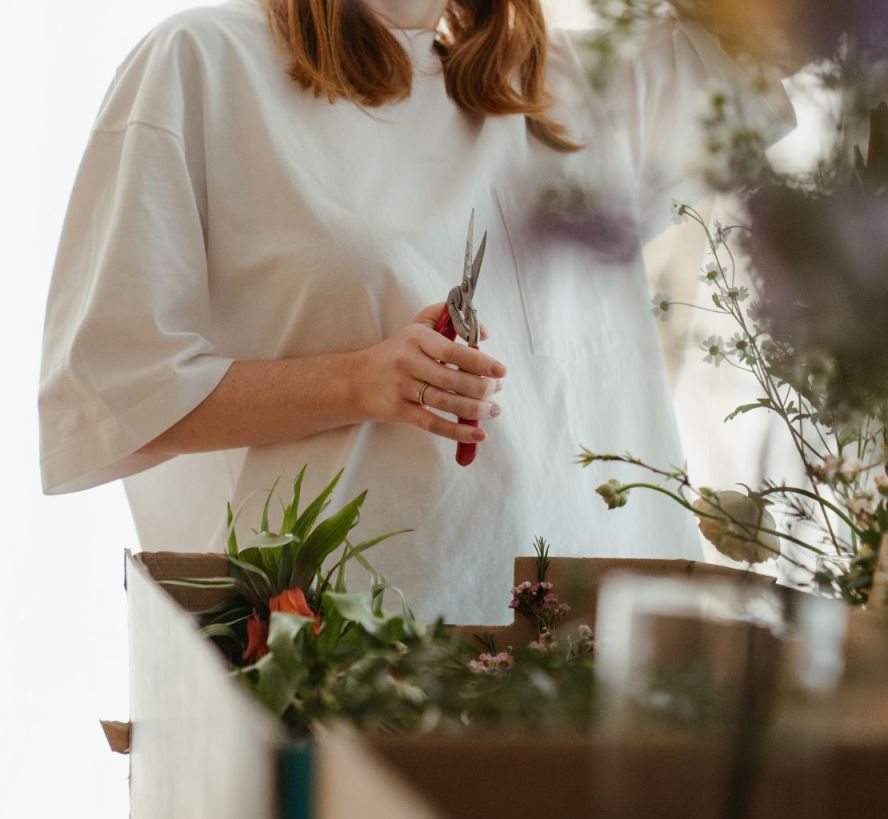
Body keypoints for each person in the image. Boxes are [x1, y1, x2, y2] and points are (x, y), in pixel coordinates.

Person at [38, 0, 796, 626]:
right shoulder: (201, 64)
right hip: (350, 650)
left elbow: (812, 27)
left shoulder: (572, 91)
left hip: (599, 660)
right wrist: (358, 383)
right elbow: (112, 394)